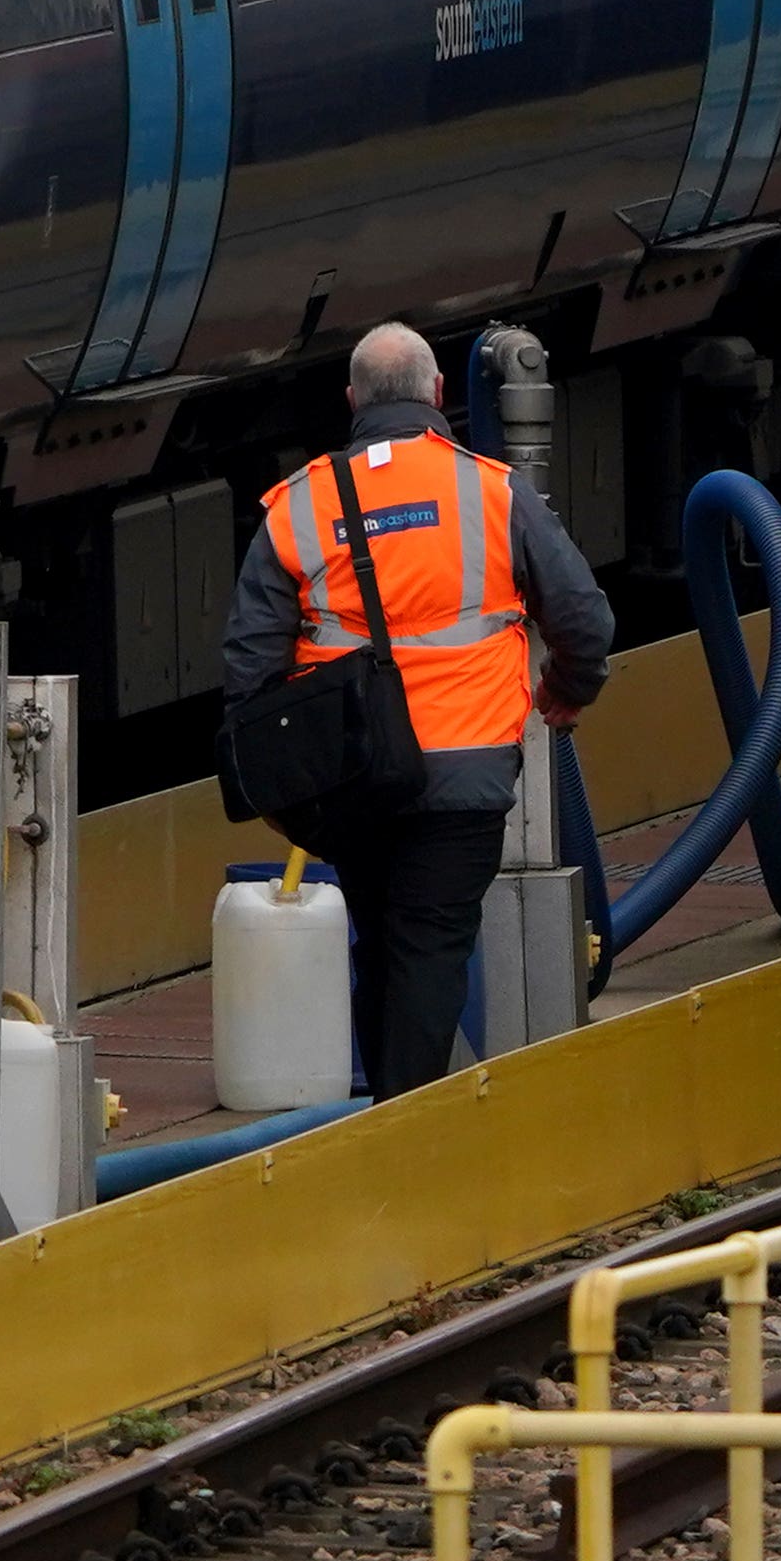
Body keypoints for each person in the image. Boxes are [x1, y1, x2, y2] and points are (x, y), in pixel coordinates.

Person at [217, 322, 615, 1098]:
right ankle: (405, 1125)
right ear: (438, 394)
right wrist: (571, 686)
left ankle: (388, 1118)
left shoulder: (298, 505)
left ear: (351, 402)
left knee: (383, 944)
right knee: (430, 945)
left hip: (352, 778)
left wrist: (280, 791)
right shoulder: (493, 490)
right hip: (465, 772)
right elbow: (584, 619)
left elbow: (249, 668)